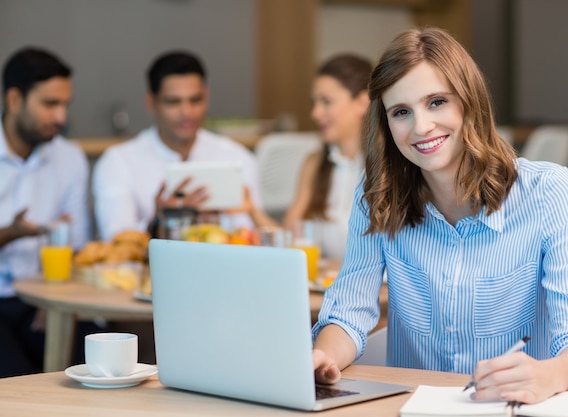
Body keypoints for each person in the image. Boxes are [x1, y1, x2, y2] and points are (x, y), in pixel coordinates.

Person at [312, 28, 568, 405]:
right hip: (410, 409)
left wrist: (551, 373)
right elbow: (348, 312)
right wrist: (323, 357)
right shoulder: (376, 196)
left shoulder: (549, 193)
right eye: (401, 112)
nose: (421, 127)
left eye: (436, 102)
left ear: (470, 101)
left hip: (516, 408)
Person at [92, 51, 272, 242]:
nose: (186, 112)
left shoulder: (237, 158)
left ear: (207, 97)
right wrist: (157, 222)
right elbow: (114, 240)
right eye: (173, 102)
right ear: (151, 102)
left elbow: (254, 237)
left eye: (195, 100)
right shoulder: (118, 162)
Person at [0, 47, 90, 376]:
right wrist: (10, 233)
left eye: (65, 104)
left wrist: (56, 295)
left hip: (44, 300)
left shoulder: (70, 159)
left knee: (98, 363)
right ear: (14, 99)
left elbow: (79, 246)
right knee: (17, 382)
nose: (61, 118)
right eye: (50, 104)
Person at [283, 54, 371, 259]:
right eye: (314, 103)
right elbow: (289, 236)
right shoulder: (315, 163)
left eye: (326, 101)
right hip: (328, 284)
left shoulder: (392, 166)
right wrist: (251, 208)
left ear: (362, 102)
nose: (315, 113)